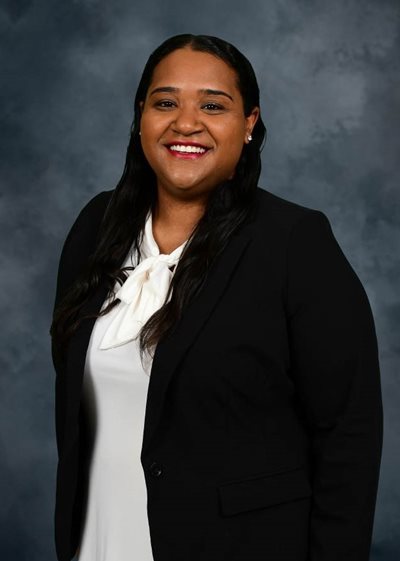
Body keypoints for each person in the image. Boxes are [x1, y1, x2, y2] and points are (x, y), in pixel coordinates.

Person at [49, 33, 383, 561]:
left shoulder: (295, 243)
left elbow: (348, 432)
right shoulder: (97, 224)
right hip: (100, 538)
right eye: (165, 103)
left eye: (212, 105)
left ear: (249, 124)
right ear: (141, 117)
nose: (186, 123)